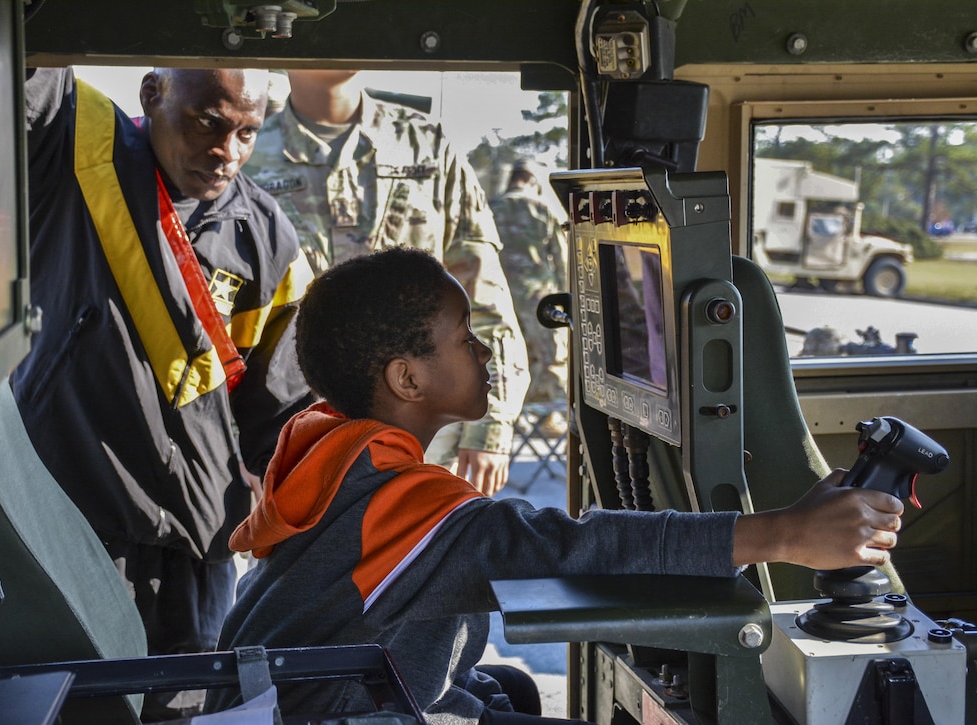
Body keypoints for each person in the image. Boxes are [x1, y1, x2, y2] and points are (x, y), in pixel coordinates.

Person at [204, 247, 905, 725]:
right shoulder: (400, 507)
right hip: (334, 710)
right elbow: (568, 548)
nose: (483, 349)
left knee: (507, 686)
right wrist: (785, 534)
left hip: (303, 695)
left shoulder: (334, 452)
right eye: (463, 335)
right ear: (406, 379)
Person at [12, 66, 313, 718]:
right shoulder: (77, 140)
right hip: (64, 520)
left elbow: (285, 413)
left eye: (247, 132)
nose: (226, 151)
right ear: (153, 94)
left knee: (181, 711)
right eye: (209, 122)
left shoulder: (266, 235)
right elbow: (15, 59)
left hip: (194, 546)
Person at [243, 69, 529, 496]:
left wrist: (492, 425)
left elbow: (482, 291)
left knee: (425, 553)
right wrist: (247, 442)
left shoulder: (425, 144)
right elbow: (231, 314)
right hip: (297, 432)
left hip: (426, 429)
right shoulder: (248, 152)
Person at [490, 159, 570, 437]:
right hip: (539, 297)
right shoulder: (542, 207)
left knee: (508, 358)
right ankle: (557, 415)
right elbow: (561, 257)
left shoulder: (491, 207)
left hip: (501, 296)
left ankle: (513, 416)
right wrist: (566, 296)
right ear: (533, 180)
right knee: (552, 357)